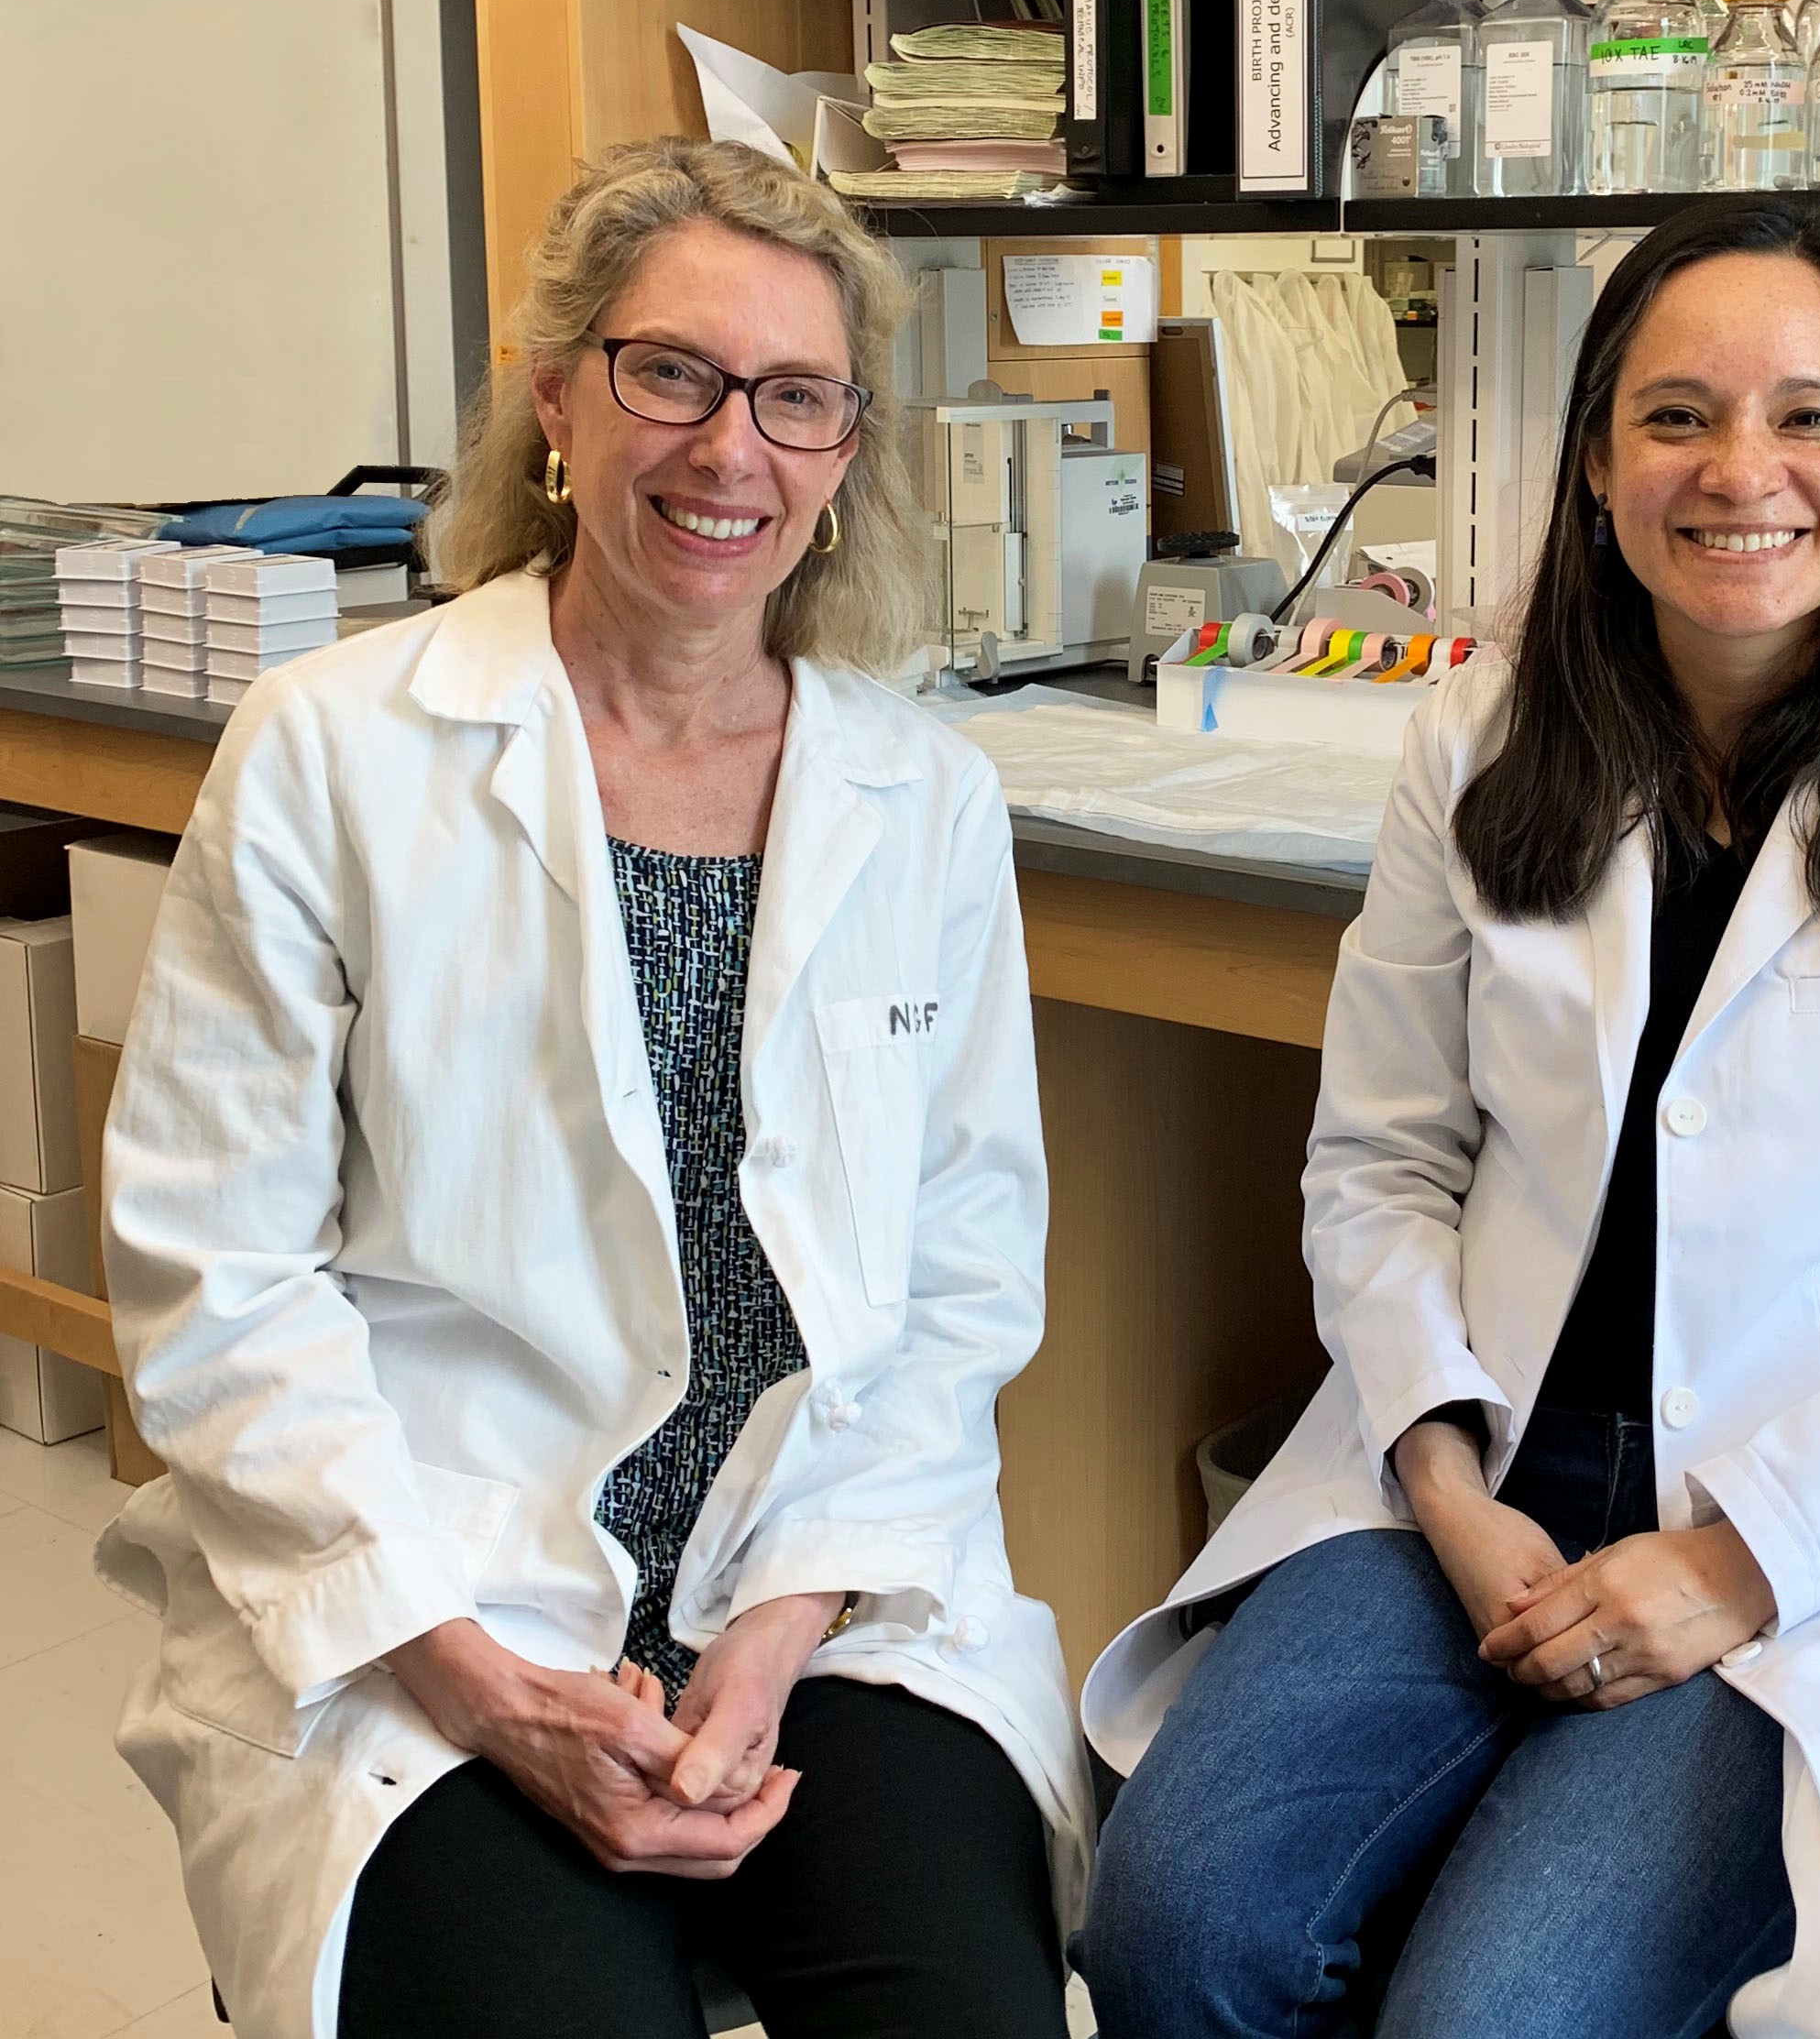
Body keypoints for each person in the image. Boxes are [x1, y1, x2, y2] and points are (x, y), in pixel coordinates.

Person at [1077, 198, 1820, 2039]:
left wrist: (1734, 1563)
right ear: (1593, 465)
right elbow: (1381, 1160)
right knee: (1169, 1928)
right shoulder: (1482, 745)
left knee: (1490, 2020)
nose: (1741, 470)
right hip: (1471, 1484)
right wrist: (1439, 1480)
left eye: (1808, 418)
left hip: (1819, 1541)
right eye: (1677, 416)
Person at [93, 137, 1087, 2039]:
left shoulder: (922, 795)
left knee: (963, 2006)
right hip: (435, 1578)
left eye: (797, 398)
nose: (734, 450)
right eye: (672, 374)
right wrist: (478, 1682)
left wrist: (779, 1632)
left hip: (822, 1568)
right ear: (558, 400)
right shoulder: (332, 750)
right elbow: (216, 1279)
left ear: (848, 448)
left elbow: (960, 1280)